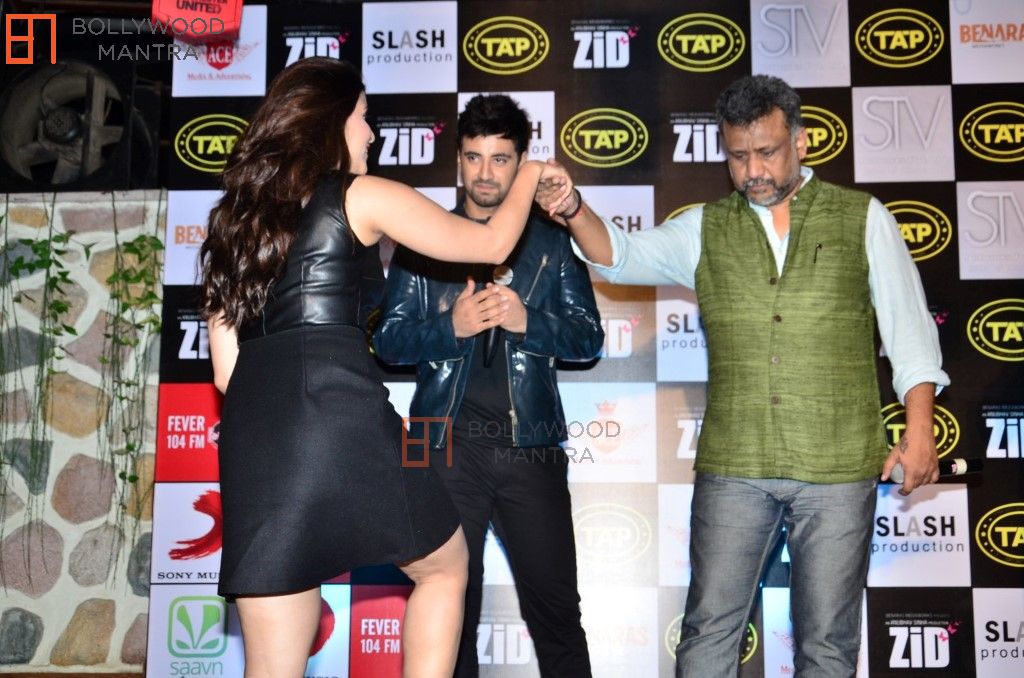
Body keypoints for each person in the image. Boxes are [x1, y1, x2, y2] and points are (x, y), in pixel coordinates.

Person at [540, 74, 949, 677]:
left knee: (829, 647)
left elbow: (910, 334)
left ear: (800, 142)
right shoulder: (704, 227)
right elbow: (619, 255)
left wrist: (920, 431)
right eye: (737, 156)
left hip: (838, 466)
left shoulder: (863, 218)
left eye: (767, 151)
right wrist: (574, 208)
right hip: (736, 465)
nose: (753, 169)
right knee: (707, 635)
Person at [198, 59, 572, 678]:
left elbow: (224, 373)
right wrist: (529, 172)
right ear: (331, 122)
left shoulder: (232, 219)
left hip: (255, 438)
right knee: (446, 568)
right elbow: (490, 245)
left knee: (273, 663)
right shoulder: (358, 194)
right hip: (339, 410)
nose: (371, 134)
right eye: (364, 117)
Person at [373, 94, 602, 678]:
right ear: (458, 159)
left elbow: (588, 338)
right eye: (473, 157)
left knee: (557, 612)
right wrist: (449, 328)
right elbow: (387, 342)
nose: (484, 173)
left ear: (521, 162)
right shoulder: (424, 237)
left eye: (500, 159)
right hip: (439, 447)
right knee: (451, 614)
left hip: (532, 448)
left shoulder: (551, 242)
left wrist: (529, 321)